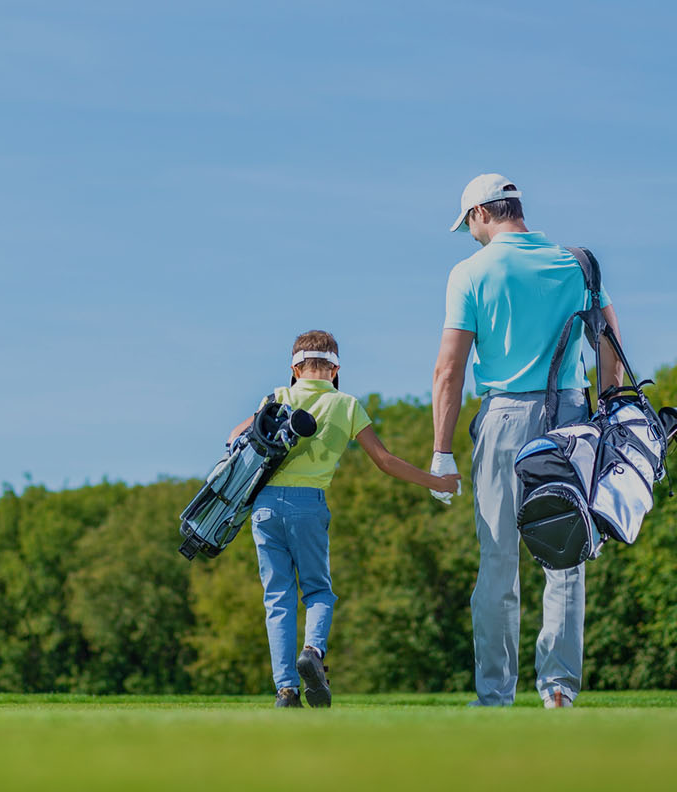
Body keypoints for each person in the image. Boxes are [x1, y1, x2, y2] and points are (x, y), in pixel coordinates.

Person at [426, 174, 623, 709]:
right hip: (572, 419)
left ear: (481, 214)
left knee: (497, 561)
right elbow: (610, 348)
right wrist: (605, 418)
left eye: (468, 224)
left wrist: (442, 452)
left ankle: (494, 695)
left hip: (507, 417)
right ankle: (558, 689)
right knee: (565, 555)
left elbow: (449, 369)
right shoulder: (575, 263)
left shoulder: (469, 272)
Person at [228, 330, 460, 709]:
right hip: (309, 505)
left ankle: (286, 690)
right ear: (335, 369)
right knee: (318, 591)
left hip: (265, 505)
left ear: (295, 368)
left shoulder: (277, 397)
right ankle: (313, 652)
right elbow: (385, 461)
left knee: (278, 598)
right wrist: (438, 482)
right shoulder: (348, 405)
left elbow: (236, 435)